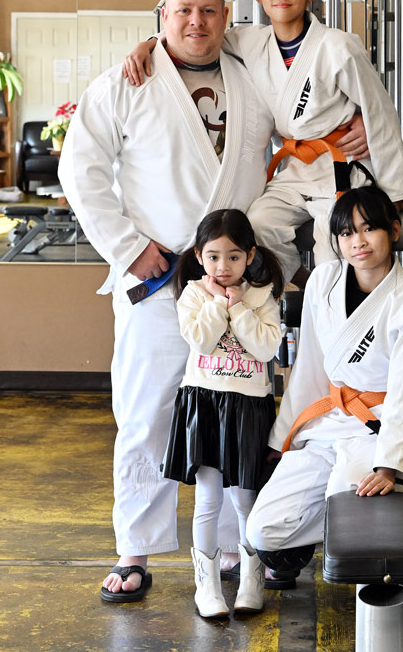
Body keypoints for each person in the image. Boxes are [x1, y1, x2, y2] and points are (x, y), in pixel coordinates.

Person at [58, 0, 275, 602]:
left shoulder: (252, 76)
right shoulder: (129, 81)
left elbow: (302, 128)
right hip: (159, 281)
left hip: (234, 284)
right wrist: (130, 247)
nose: (196, 23)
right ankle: (136, 549)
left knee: (238, 410)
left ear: (227, 14)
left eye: (209, 11)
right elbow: (81, 168)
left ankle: (236, 546)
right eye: (183, 11)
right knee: (146, 413)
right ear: (162, 13)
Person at [124, 0, 403, 286]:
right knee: (256, 228)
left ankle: (337, 314)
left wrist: (396, 192)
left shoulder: (339, 47)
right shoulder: (250, 42)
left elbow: (380, 113)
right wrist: (150, 43)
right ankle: (302, 290)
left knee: (332, 242)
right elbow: (195, 36)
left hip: (341, 167)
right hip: (294, 169)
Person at [244, 185, 403, 579]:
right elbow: (311, 366)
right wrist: (286, 436)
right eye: (347, 233)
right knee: (262, 530)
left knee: (350, 506)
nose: (358, 242)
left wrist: (390, 466)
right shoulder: (323, 281)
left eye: (369, 229)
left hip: (381, 427)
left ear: (395, 231)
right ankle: (359, 524)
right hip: (331, 422)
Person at [164, 208, 284, 617]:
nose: (223, 265)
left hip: (249, 407)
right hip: (205, 403)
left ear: (249, 256)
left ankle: (252, 580)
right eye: (214, 256)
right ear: (200, 256)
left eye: (233, 256)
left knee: (247, 500)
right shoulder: (194, 295)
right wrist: (219, 304)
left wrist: (240, 309)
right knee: (208, 501)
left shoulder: (262, 295)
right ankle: (207, 587)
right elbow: (199, 340)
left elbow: (266, 349)